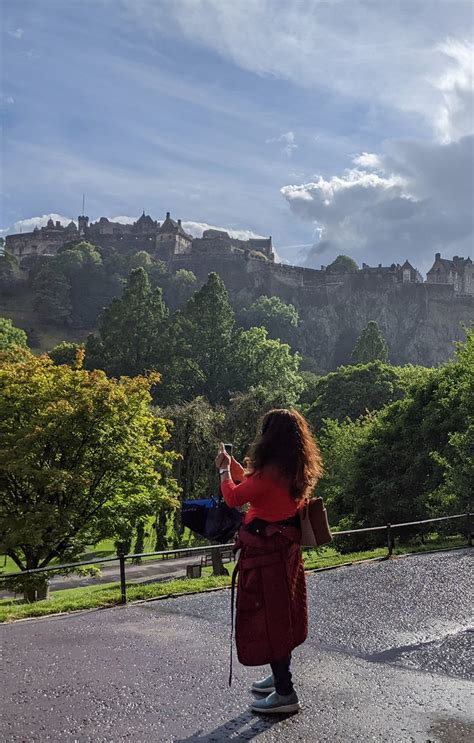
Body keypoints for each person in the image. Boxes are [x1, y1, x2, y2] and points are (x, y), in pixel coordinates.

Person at [214, 408, 323, 714]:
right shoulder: (295, 468)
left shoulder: (270, 472)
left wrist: (223, 472)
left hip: (265, 554)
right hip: (286, 550)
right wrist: (235, 467)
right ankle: (279, 678)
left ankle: (286, 691)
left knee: (270, 616)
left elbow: (235, 497)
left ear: (269, 437)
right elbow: (252, 484)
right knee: (282, 612)